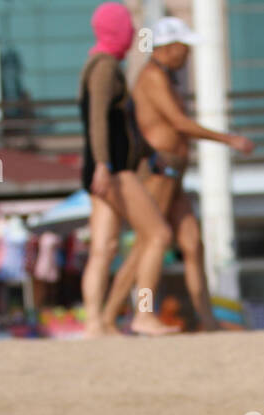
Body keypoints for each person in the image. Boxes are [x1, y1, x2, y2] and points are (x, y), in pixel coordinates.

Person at [99, 16, 255, 332]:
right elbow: (179, 124)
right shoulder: (152, 77)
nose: (187, 55)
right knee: (149, 243)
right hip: (158, 171)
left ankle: (207, 320)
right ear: (168, 48)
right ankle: (116, 314)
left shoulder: (168, 78)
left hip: (175, 172)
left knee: (192, 243)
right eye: (184, 48)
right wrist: (229, 139)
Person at [78, 1, 176, 337]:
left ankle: (96, 323)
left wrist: (149, 153)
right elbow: (99, 121)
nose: (133, 33)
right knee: (157, 235)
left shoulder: (98, 64)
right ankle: (144, 314)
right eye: (128, 26)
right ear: (116, 30)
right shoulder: (105, 67)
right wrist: (105, 165)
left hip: (99, 169)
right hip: (114, 171)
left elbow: (124, 126)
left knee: (103, 248)